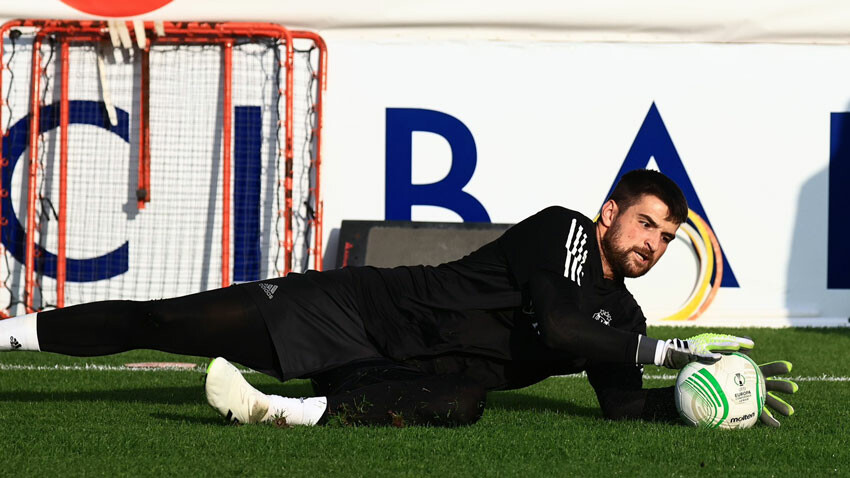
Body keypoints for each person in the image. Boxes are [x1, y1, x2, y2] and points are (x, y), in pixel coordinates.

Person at [0, 169, 797, 427]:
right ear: (610, 215)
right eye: (645, 224)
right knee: (168, 320)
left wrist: (708, 397)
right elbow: (558, 321)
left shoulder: (622, 319)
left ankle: (285, 411)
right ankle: (14, 332)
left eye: (665, 238)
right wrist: (667, 351)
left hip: (414, 372)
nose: (652, 244)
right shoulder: (564, 234)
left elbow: (621, 404)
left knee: (463, 402)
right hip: (361, 311)